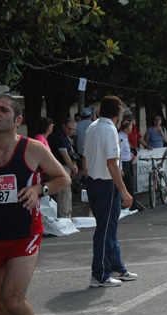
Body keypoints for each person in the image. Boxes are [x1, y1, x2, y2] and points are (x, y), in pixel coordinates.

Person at [0, 95, 71, 315]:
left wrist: (39, 190)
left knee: (11, 298)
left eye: (3, 109)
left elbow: (63, 178)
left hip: (25, 233)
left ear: (17, 120)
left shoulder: (32, 149)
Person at [83, 95, 137, 287]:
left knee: (108, 227)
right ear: (117, 112)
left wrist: (89, 176)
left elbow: (85, 157)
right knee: (105, 231)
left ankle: (117, 267)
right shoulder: (109, 130)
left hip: (94, 182)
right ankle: (100, 275)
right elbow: (112, 163)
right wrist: (124, 191)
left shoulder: (93, 127)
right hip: (106, 183)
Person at [49, 118, 79, 218]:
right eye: (69, 128)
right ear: (63, 126)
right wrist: (73, 167)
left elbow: (71, 155)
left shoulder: (66, 138)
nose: (71, 131)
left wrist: (74, 165)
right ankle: (63, 216)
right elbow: (65, 157)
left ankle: (67, 214)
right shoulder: (60, 138)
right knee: (64, 193)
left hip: (66, 167)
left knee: (67, 193)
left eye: (73, 129)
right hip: (61, 167)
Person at [118, 120, 135, 203]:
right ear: (128, 127)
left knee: (130, 184)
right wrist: (120, 168)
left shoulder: (125, 136)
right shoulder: (121, 137)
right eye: (131, 126)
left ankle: (131, 203)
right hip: (124, 163)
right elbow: (119, 154)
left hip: (128, 162)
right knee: (124, 184)